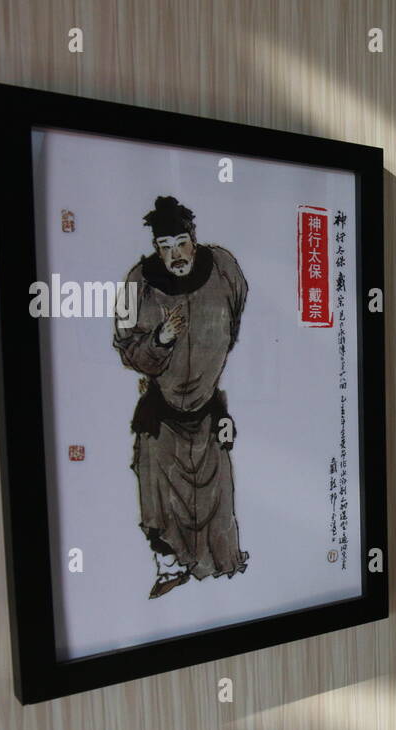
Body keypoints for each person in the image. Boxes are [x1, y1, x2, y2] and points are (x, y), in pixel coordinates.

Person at [114, 196, 250, 598]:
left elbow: (235, 322)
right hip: (162, 412)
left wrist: (219, 401)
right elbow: (125, 349)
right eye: (164, 246)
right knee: (160, 501)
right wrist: (160, 339)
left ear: (194, 237)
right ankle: (169, 567)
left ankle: (211, 573)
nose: (175, 255)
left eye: (181, 242)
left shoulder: (224, 267)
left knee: (215, 500)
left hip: (208, 408)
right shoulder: (136, 282)